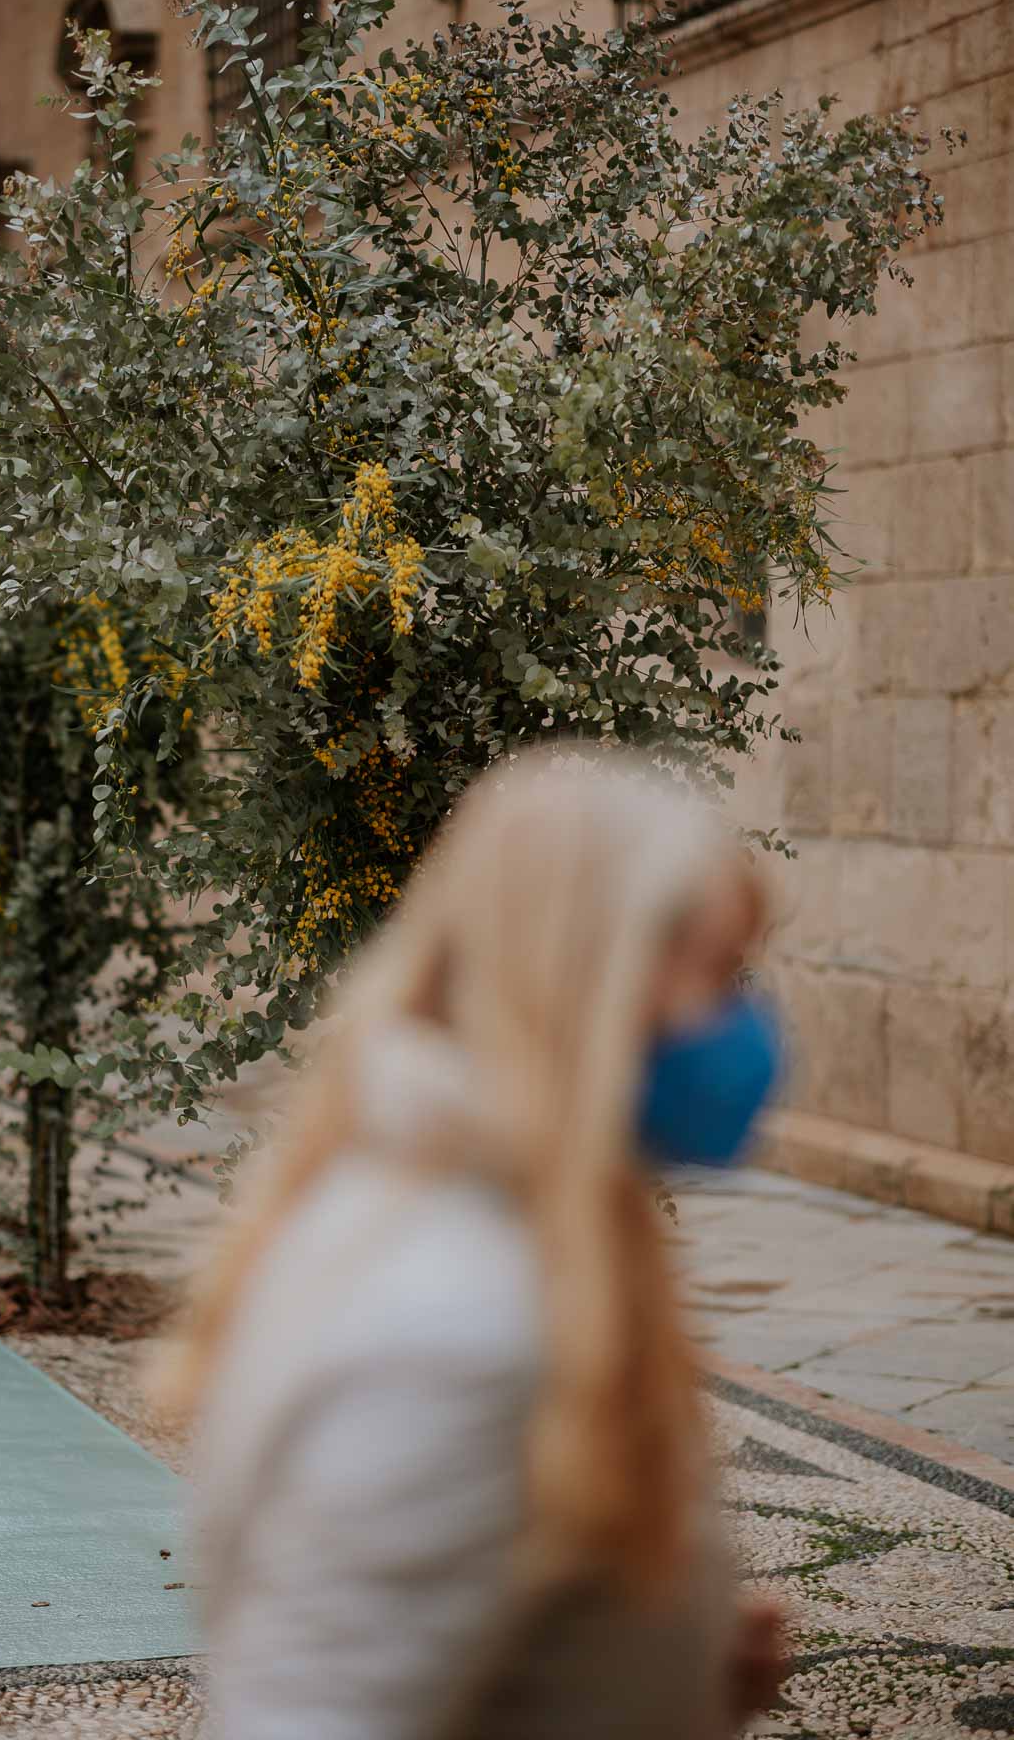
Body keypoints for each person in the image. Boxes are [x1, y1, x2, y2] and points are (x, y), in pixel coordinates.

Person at [172, 745, 788, 1740]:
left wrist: (668, 1657)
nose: (744, 1025)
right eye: (721, 975)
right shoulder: (459, 1337)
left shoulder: (423, 1196)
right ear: (595, 978)